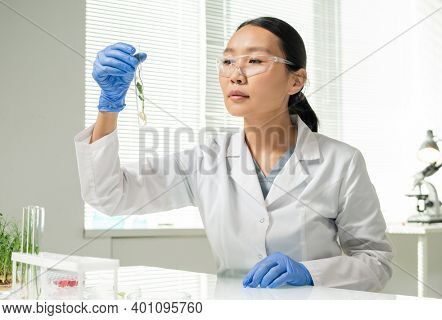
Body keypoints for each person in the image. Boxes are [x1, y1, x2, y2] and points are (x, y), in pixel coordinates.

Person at [74, 17, 393, 291]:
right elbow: (110, 196)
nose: (235, 74)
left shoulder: (342, 162)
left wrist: (310, 273)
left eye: (254, 61)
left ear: (296, 80)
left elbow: (376, 260)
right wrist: (109, 107)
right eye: (228, 61)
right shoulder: (204, 161)